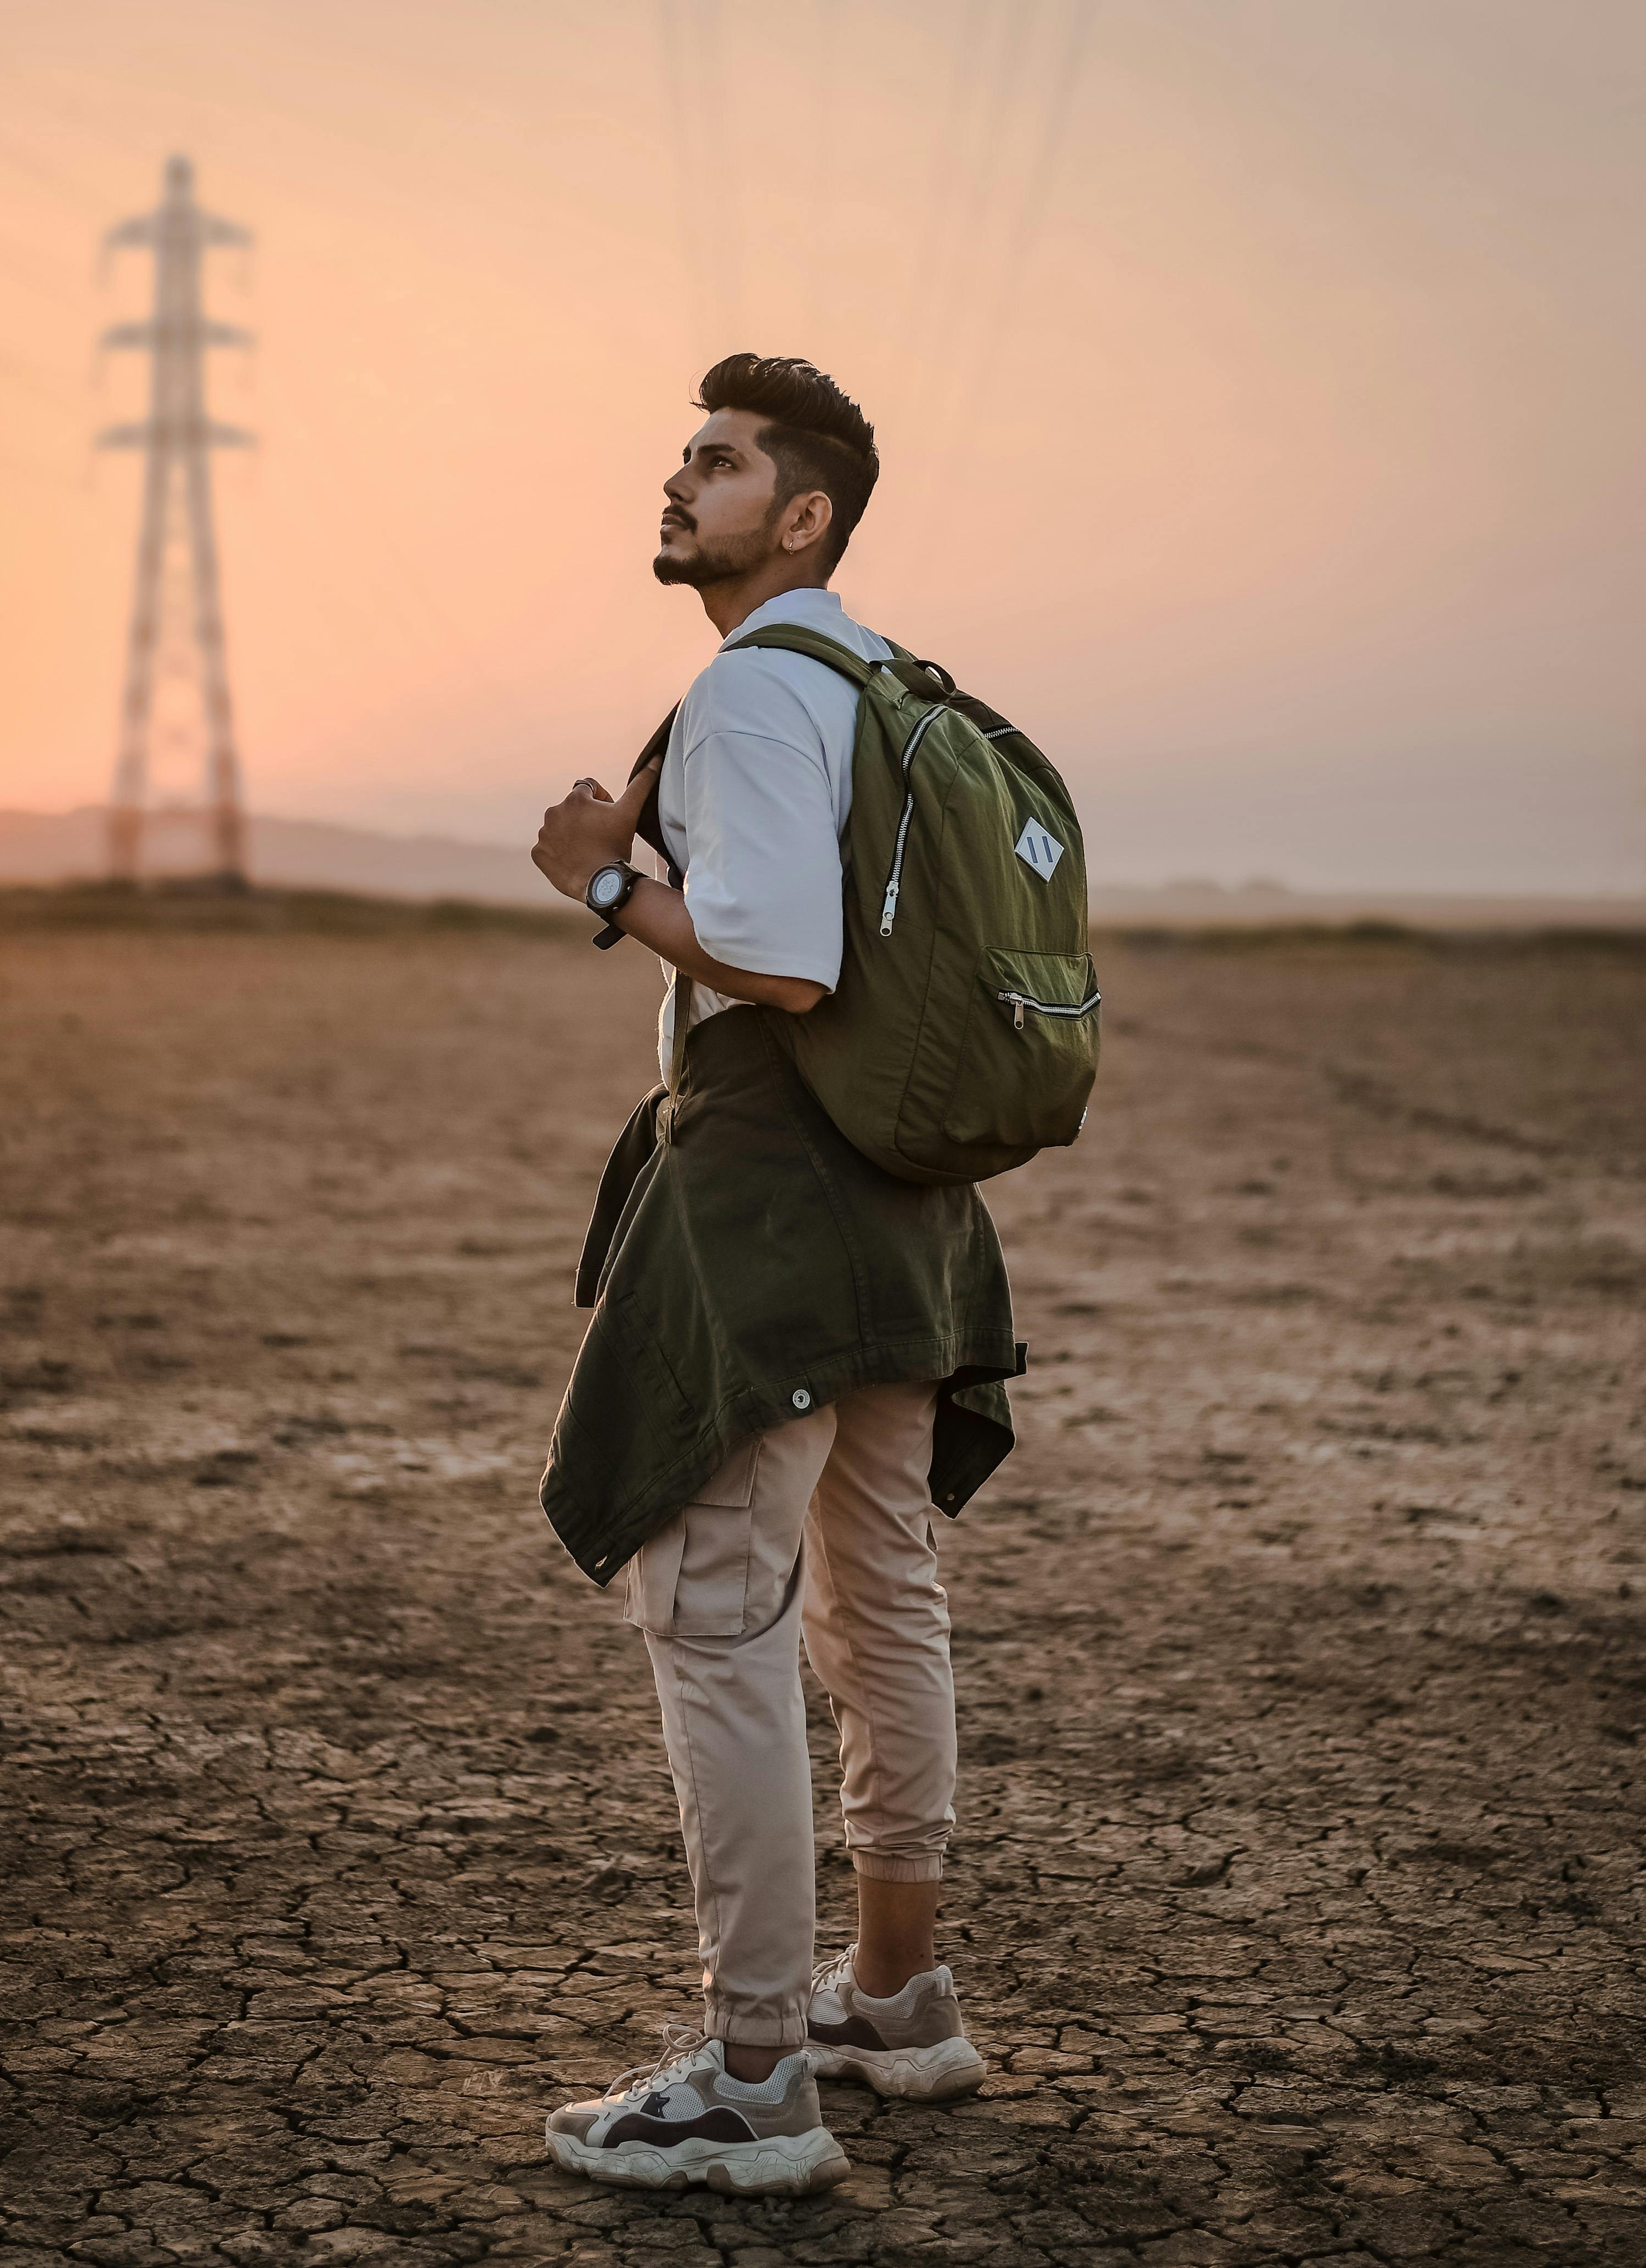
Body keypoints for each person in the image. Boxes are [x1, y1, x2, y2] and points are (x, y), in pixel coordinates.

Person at [529, 355, 1021, 2197]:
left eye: (718, 463)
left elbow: (783, 965)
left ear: (799, 515)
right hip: (912, 1187)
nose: (682, 479)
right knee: (876, 1582)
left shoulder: (752, 688)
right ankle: (896, 1995)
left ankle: (752, 2080)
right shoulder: (888, 678)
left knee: (713, 1603)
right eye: (684, 452)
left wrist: (598, 881)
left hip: (786, 1185)